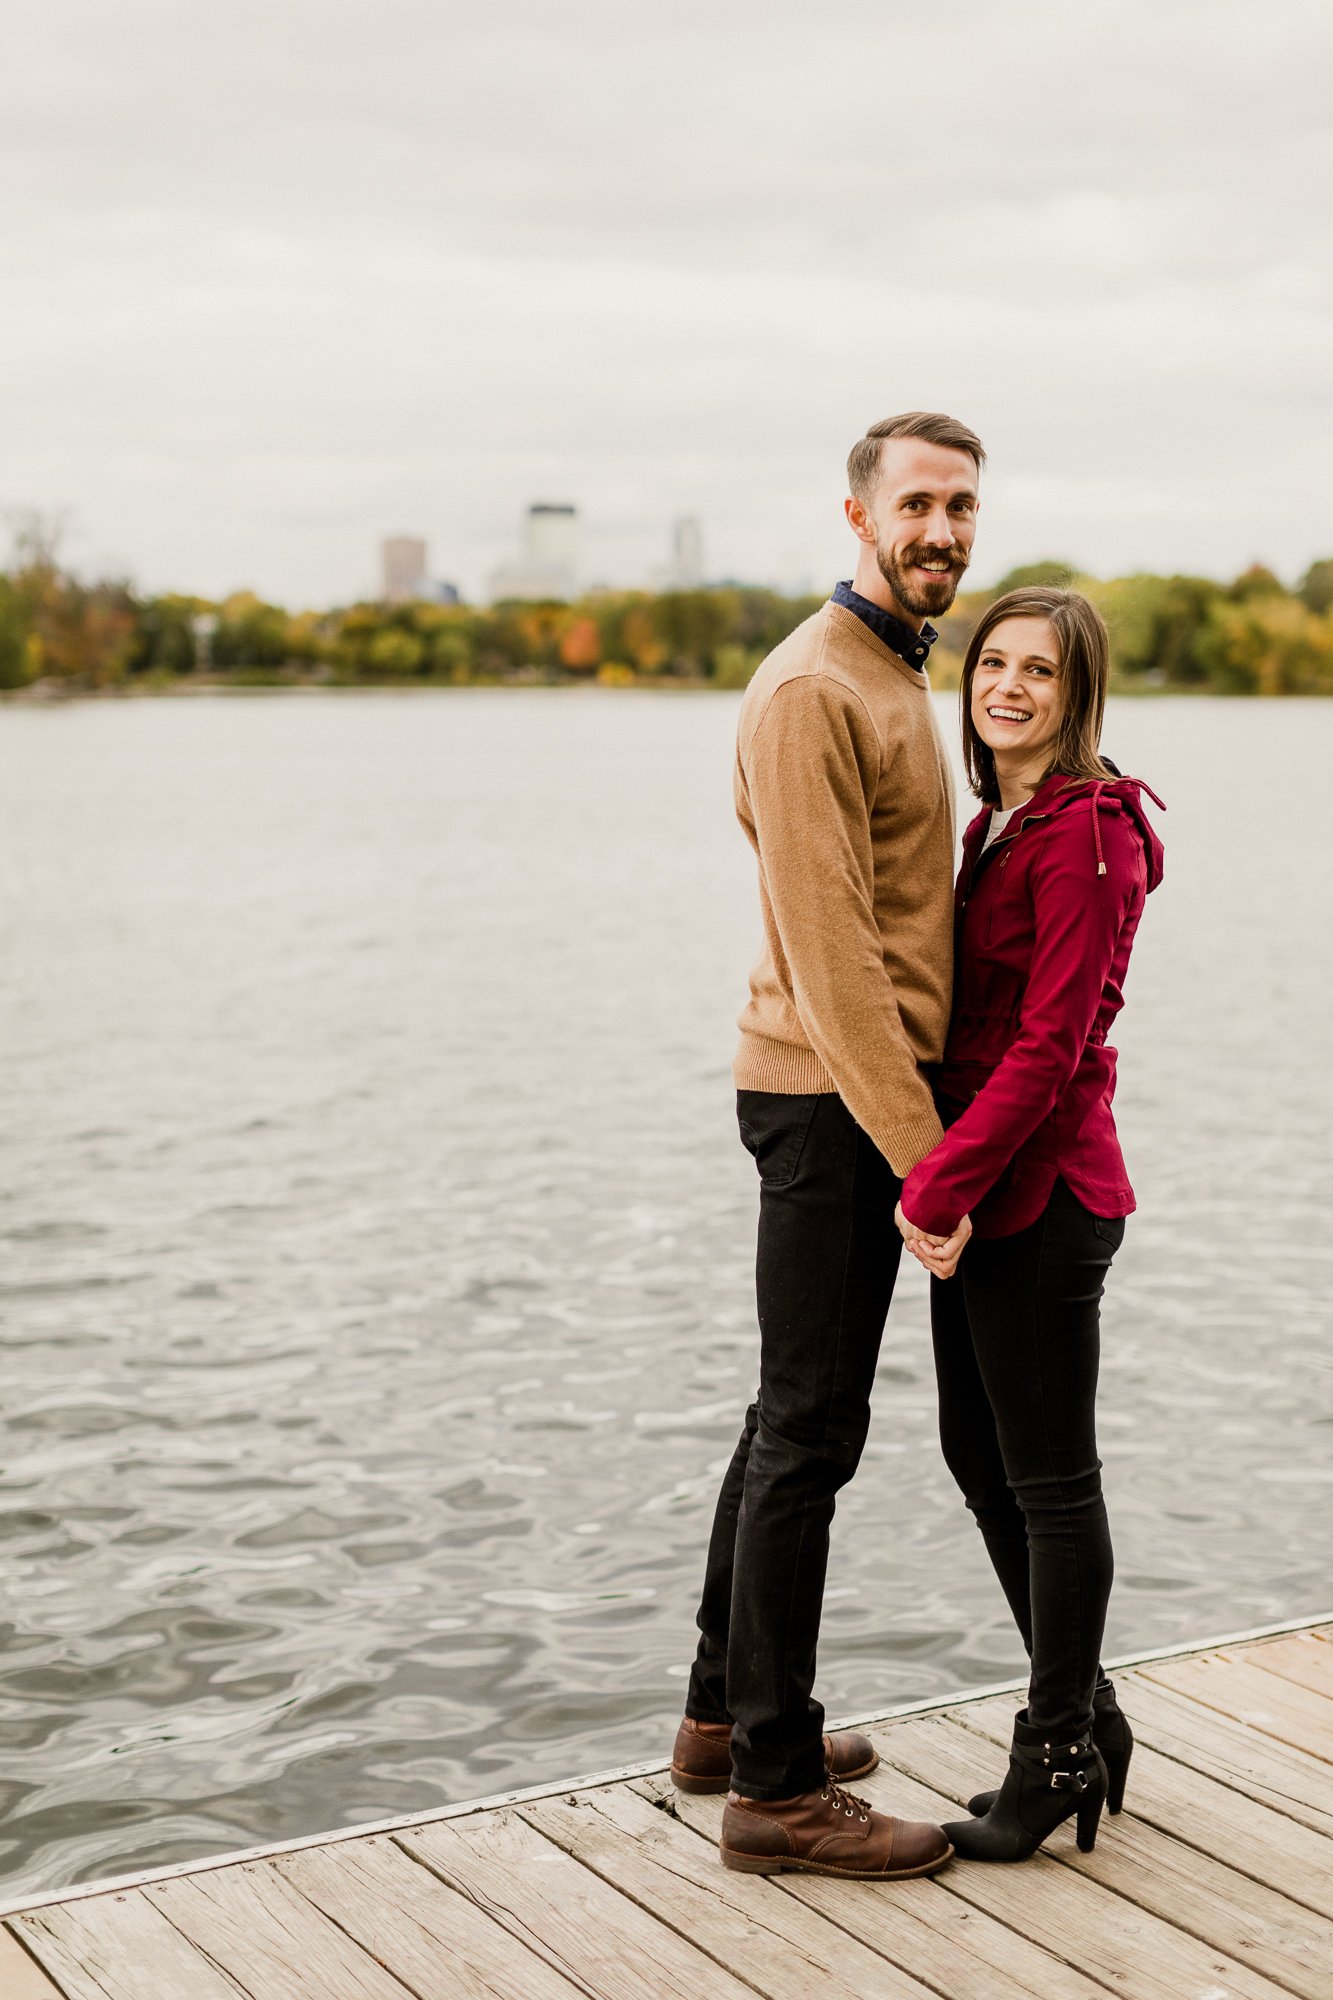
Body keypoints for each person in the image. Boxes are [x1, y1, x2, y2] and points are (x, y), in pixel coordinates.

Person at [670, 411, 982, 1880]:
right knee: (811, 1433)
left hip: (846, 1098)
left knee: (787, 1418)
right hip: (830, 1100)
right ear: (857, 517)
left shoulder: (884, 671)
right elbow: (833, 953)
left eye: (961, 507)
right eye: (916, 504)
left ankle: (722, 1722)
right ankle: (777, 1791)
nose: (940, 530)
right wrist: (927, 1158)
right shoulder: (812, 689)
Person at [896, 586, 1164, 1863]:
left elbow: (1052, 1042)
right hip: (988, 1186)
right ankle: (1091, 1705)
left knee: (1050, 1481)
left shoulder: (1085, 834)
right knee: (973, 1448)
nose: (1005, 684)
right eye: (990, 661)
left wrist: (934, 1183)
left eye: (1037, 672)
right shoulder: (1000, 820)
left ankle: (1054, 1741)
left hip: (1047, 1194)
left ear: (1076, 694)